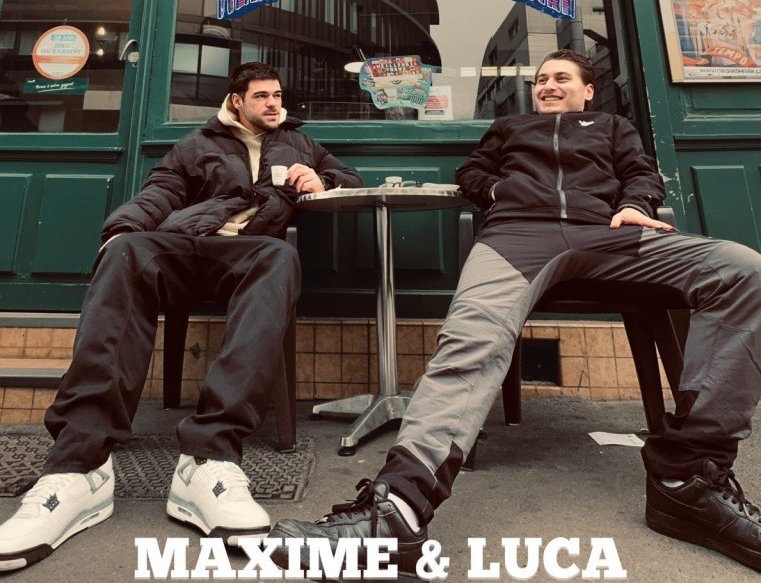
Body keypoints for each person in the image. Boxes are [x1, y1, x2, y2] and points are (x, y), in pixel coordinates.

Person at [270, 49, 761, 576]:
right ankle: (398, 512)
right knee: (470, 341)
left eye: (561, 78)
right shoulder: (510, 127)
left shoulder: (614, 127)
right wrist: (502, 190)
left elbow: (641, 172)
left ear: (588, 90)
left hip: (609, 234)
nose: (547, 85)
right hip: (517, 236)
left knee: (742, 269)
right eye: (541, 79)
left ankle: (688, 479)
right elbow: (472, 172)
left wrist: (635, 206)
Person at [0, 61, 361, 572]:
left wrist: (319, 178)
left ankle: (209, 458)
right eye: (262, 96)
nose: (274, 104)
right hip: (186, 247)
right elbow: (162, 191)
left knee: (280, 257)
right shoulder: (199, 143)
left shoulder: (300, 143)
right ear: (236, 100)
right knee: (126, 251)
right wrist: (122, 229)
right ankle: (79, 466)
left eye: (278, 95)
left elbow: (349, 180)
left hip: (249, 253)